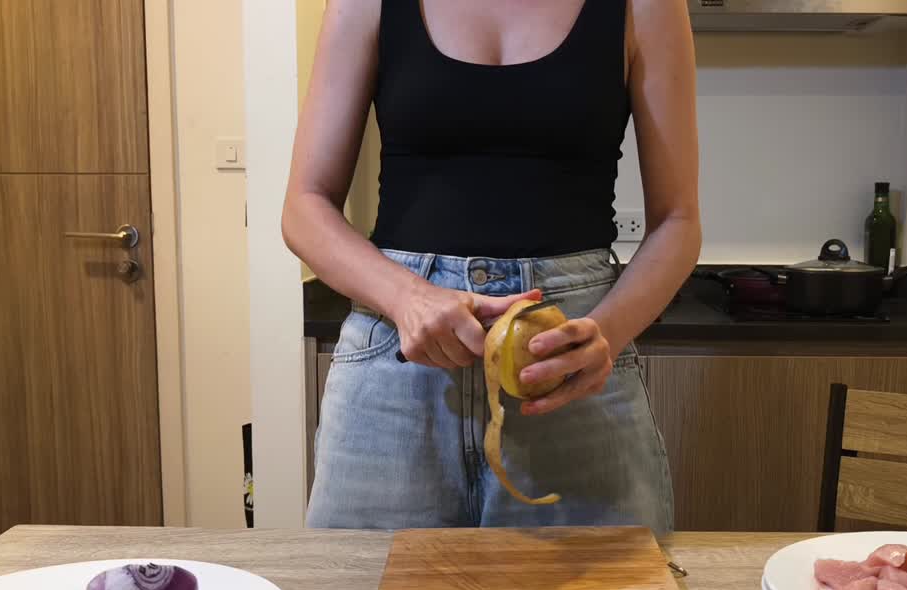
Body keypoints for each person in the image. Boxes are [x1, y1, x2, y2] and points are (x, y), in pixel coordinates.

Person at [282, 0, 700, 535]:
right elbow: (304, 206)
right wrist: (408, 297)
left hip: (569, 356)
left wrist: (609, 334)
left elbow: (679, 221)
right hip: (398, 356)